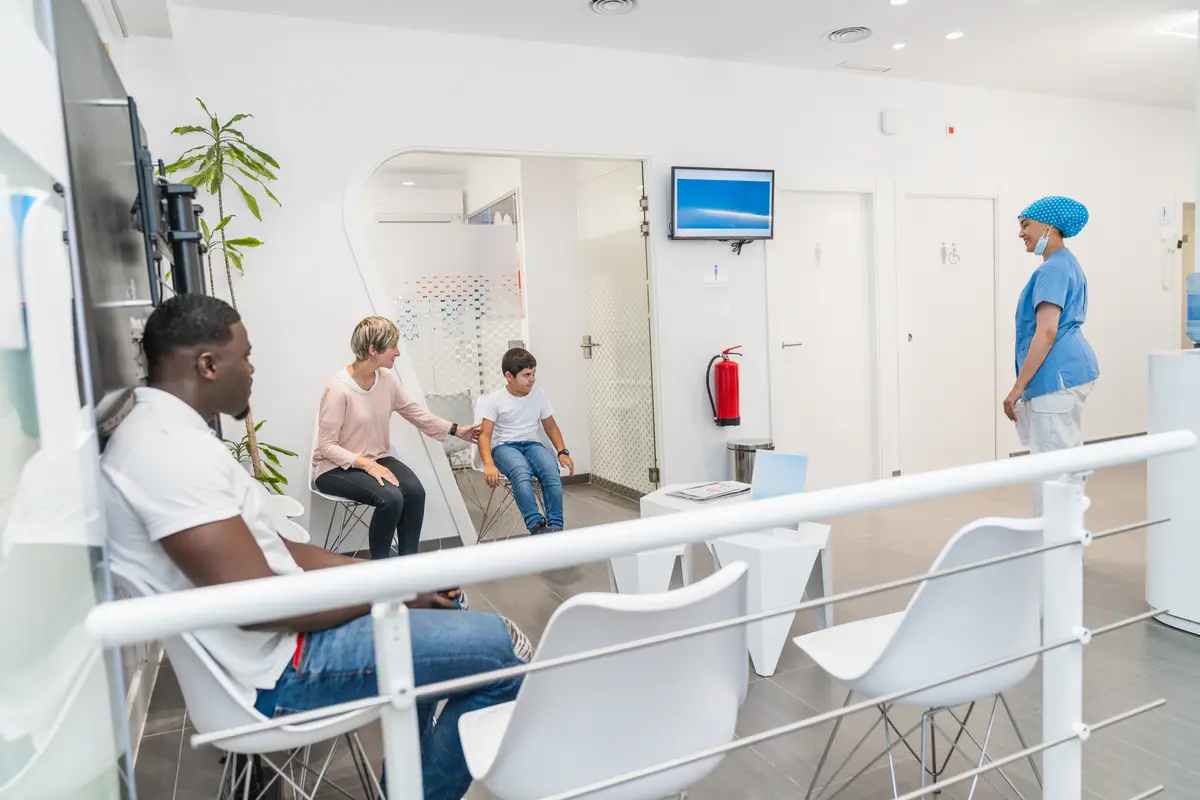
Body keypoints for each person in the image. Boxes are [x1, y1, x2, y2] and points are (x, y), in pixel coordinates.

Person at [101, 295, 524, 800]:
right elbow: (258, 602)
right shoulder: (166, 452)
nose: (254, 370)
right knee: (507, 650)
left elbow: (280, 550)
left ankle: (408, 786)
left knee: (447, 608)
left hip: (283, 645)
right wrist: (389, 595)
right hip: (281, 671)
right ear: (208, 365)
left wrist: (395, 581)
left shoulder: (171, 438)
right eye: (247, 356)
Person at [313, 316, 478, 559]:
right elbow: (327, 446)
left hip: (376, 458)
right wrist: (367, 465)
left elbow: (414, 412)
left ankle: (408, 566)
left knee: (415, 493)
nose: (397, 353)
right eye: (393, 346)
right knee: (391, 499)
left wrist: (457, 429)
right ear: (373, 350)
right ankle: (384, 573)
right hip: (335, 467)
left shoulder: (387, 380)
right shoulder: (339, 388)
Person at [1005, 196, 1100, 508]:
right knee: (1063, 460)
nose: (1021, 233)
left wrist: (1018, 387)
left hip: (1057, 375)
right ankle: (1061, 540)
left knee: (1052, 469)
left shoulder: (1053, 270)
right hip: (1069, 372)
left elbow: (1046, 332)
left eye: (1025, 225)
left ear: (1049, 226)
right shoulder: (1065, 263)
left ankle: (1053, 547)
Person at [477, 348, 574, 534]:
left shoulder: (539, 395)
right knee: (521, 472)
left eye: (533, 373)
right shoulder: (494, 400)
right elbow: (485, 435)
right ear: (509, 376)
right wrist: (488, 464)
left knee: (551, 470)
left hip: (532, 444)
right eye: (526, 375)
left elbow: (551, 427)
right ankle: (536, 526)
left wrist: (562, 452)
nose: (532, 379)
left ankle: (555, 526)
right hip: (504, 447)